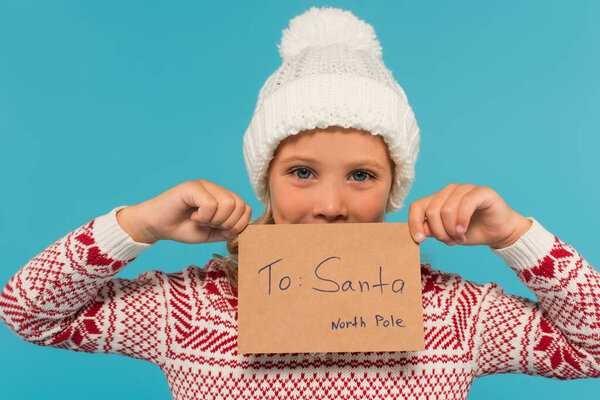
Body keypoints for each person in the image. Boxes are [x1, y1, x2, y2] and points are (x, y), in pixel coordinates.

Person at [1, 6, 598, 400]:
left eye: (362, 175)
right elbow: (27, 312)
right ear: (265, 180)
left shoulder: (454, 315)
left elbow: (590, 351)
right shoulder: (189, 309)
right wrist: (138, 225)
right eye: (302, 172)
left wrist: (515, 235)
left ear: (396, 187)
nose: (331, 205)